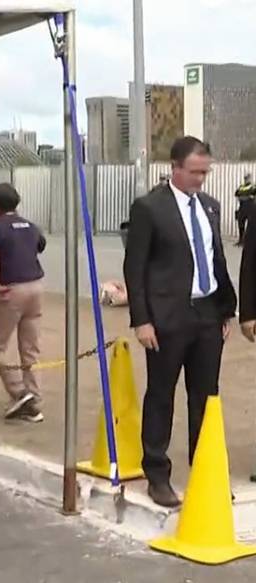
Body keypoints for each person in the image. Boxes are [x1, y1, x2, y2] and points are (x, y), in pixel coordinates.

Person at [123, 136, 235, 508]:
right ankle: (157, 474)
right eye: (194, 172)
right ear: (174, 167)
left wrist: (225, 310)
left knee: (206, 398)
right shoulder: (149, 208)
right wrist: (142, 320)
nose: (201, 179)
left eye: (205, 172)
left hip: (207, 315)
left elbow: (215, 259)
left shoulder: (211, 207)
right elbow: (134, 268)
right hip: (167, 319)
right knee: (161, 396)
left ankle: (205, 473)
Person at [0, 183, 46, 423]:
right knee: (30, 349)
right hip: (36, 286)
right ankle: (34, 400)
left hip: (13, 290)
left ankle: (19, 393)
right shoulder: (31, 225)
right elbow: (40, 245)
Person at [236, 173, 255, 246]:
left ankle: (250, 242)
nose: (246, 179)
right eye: (245, 178)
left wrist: (244, 197)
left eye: (248, 178)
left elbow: (253, 197)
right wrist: (247, 197)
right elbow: (237, 196)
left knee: (251, 226)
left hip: (251, 209)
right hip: (242, 208)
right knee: (241, 225)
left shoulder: (253, 187)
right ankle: (241, 241)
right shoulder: (241, 187)